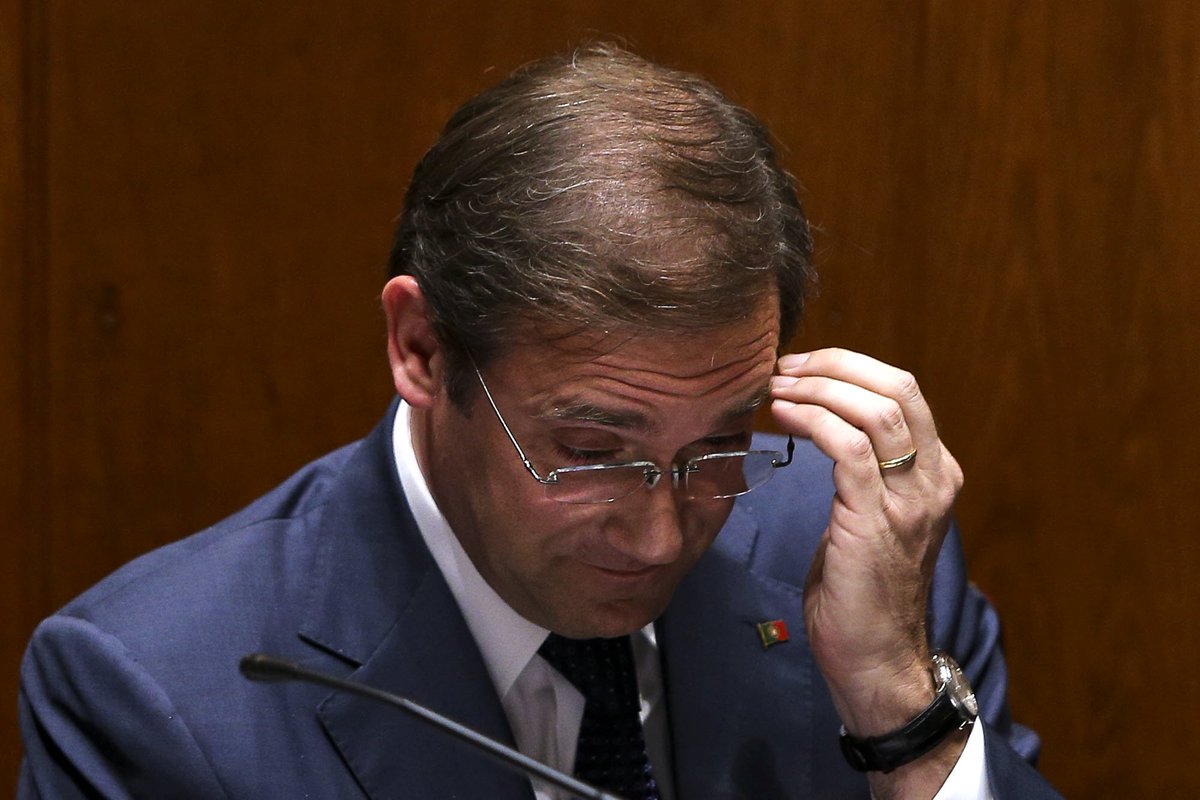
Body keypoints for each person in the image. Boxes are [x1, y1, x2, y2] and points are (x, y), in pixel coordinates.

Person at [18, 44, 1059, 799]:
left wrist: (900, 714)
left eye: (718, 442)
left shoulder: (849, 551)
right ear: (423, 349)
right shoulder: (157, 689)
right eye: (592, 451)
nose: (660, 537)